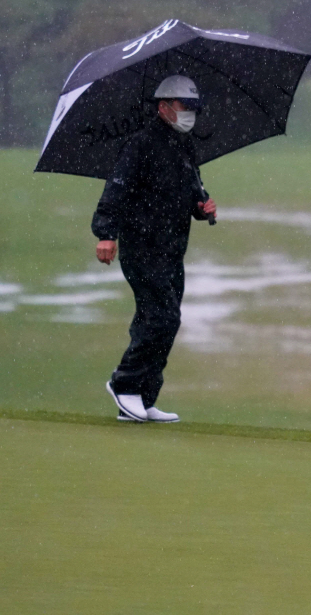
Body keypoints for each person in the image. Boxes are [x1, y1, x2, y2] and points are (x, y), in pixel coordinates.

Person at [93, 75, 217, 422]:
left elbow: (191, 192)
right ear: (163, 107)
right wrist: (106, 233)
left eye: (195, 107)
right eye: (185, 106)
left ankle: (143, 398)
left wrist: (202, 207)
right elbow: (116, 190)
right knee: (162, 318)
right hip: (142, 246)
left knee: (161, 320)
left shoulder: (185, 146)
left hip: (172, 248)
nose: (191, 113)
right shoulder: (141, 143)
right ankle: (124, 384)